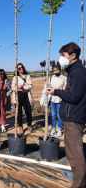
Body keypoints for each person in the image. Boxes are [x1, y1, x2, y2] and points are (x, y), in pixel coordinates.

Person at [47, 42, 86, 188]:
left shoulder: (78, 72)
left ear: (73, 55)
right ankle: (78, 176)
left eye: (63, 55)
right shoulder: (74, 71)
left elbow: (74, 97)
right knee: (73, 153)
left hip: (74, 118)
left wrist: (56, 92)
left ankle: (79, 184)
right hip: (72, 116)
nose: (60, 58)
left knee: (75, 154)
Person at [12, 63, 34, 134]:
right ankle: (20, 127)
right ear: (17, 70)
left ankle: (29, 125)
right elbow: (13, 87)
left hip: (26, 95)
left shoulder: (28, 76)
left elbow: (31, 86)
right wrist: (19, 88)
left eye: (22, 67)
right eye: (19, 68)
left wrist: (22, 87)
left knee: (28, 111)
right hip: (18, 96)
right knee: (19, 112)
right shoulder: (15, 77)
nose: (21, 69)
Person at [48, 65, 67, 137]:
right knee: (53, 115)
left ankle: (59, 129)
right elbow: (48, 86)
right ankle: (53, 129)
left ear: (60, 70)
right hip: (52, 99)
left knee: (60, 115)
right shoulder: (51, 78)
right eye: (54, 70)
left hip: (60, 99)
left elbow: (67, 89)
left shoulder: (64, 78)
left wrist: (59, 90)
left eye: (57, 70)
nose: (56, 72)